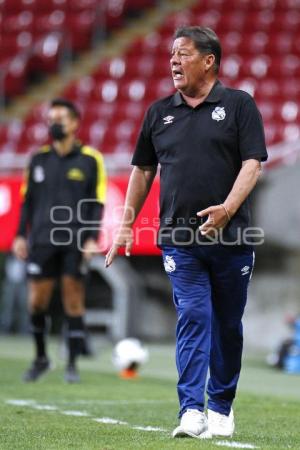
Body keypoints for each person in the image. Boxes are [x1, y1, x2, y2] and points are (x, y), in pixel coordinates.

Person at [105, 26, 268, 439]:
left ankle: (222, 404)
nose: (174, 61)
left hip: (231, 239)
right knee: (194, 316)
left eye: (183, 54)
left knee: (227, 325)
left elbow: (253, 165)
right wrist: (126, 226)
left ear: (209, 60)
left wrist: (228, 210)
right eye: (171, 55)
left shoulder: (239, 105)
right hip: (179, 238)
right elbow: (143, 170)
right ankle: (192, 410)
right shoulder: (159, 113)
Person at [13, 98, 107, 383]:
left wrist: (92, 238)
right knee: (37, 302)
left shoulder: (91, 159)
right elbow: (27, 201)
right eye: (51, 118)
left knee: (73, 300)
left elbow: (97, 202)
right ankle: (41, 358)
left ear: (75, 123)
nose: (55, 123)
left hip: (75, 241)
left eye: (60, 118)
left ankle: (72, 365)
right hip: (41, 240)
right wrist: (20, 234)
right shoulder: (38, 159)